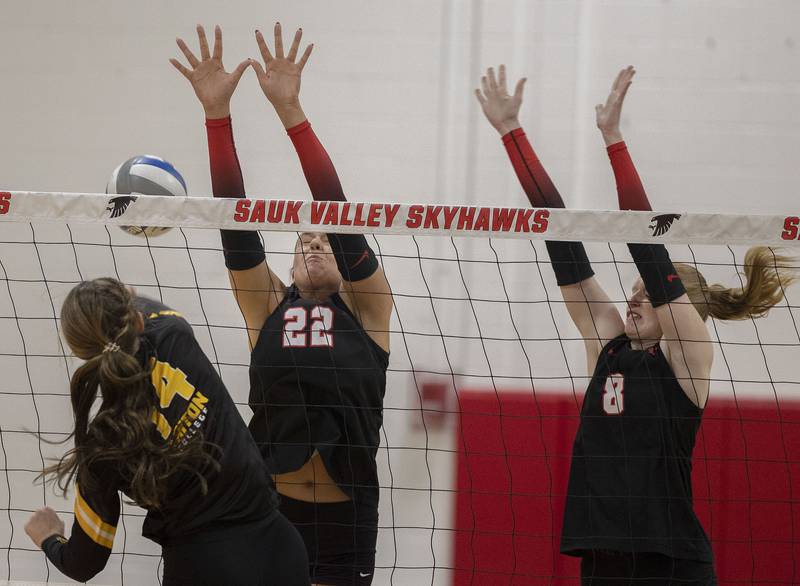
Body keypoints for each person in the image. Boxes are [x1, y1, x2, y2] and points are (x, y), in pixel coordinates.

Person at [477, 64, 796, 584]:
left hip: (671, 563)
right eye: (632, 291)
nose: (633, 298)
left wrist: (613, 141)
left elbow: (649, 247)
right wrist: (513, 134)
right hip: (603, 560)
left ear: (678, 308)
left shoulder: (687, 356)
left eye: (646, 294)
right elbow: (564, 244)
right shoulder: (607, 343)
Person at [171, 23, 393, 585]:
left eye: (324, 239)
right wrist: (216, 117)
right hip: (267, 510)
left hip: (348, 512)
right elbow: (236, 230)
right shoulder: (268, 306)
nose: (313, 240)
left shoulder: (368, 312)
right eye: (302, 240)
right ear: (289, 264)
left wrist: (290, 111)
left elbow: (340, 216)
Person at [24, 278, 309, 585]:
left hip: (203, 568)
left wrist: (48, 537)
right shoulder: (173, 332)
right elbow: (138, 307)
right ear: (134, 317)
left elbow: (83, 564)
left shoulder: (102, 443)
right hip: (280, 550)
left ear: (80, 353)